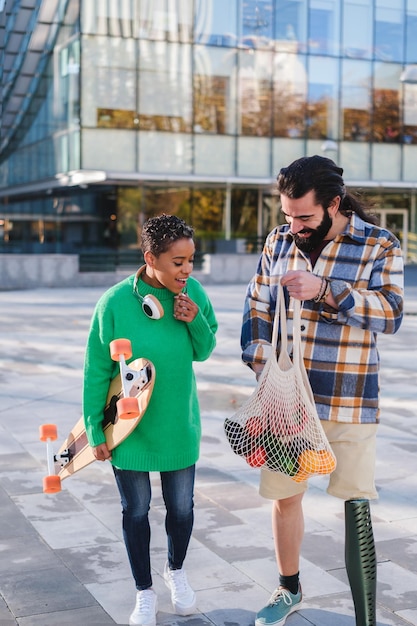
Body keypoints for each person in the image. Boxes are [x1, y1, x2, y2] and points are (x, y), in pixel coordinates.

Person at [241, 155, 404, 626]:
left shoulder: (379, 244)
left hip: (349, 396)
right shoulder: (278, 241)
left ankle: (366, 617)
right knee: (284, 497)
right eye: (288, 215)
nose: (294, 226)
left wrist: (326, 289)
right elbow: (257, 301)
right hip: (286, 403)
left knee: (355, 500)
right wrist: (260, 361)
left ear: (334, 204)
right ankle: (287, 589)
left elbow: (391, 314)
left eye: (305, 217)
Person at [83, 214, 218, 626]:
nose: (187, 270)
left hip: (178, 423)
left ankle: (175, 571)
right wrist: (94, 428)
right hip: (130, 430)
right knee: (135, 511)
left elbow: (205, 349)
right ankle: (144, 591)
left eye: (191, 260)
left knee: (181, 509)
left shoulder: (192, 294)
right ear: (150, 258)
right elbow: (96, 370)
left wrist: (192, 317)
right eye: (178, 262)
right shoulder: (113, 303)